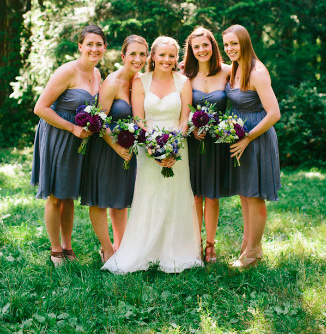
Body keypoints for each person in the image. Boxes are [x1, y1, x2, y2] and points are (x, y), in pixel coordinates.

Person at [102, 36, 202, 273]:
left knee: (175, 196)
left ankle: (178, 250)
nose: (167, 60)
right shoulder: (140, 81)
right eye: (162, 55)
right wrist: (153, 147)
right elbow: (138, 120)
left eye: (171, 55)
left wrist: (173, 147)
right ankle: (144, 250)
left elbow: (185, 119)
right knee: (150, 196)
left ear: (176, 58)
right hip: (147, 148)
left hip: (177, 149)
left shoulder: (183, 82)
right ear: (153, 57)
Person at [31, 24, 107, 266]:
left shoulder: (97, 74)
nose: (94, 49)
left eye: (99, 44)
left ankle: (67, 245)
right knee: (56, 195)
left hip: (79, 140)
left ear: (104, 48)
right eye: (90, 44)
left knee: (69, 194)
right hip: (59, 135)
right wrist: (73, 128)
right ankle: (55, 249)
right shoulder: (67, 71)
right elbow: (40, 108)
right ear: (80, 46)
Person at [80, 35, 148, 263]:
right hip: (106, 148)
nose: (138, 59)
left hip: (127, 150)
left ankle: (122, 246)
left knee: (121, 199)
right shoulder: (112, 82)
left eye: (142, 54)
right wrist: (117, 147)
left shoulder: (140, 82)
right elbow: (98, 120)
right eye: (133, 54)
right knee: (100, 199)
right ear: (123, 56)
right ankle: (107, 248)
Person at [222, 24, 281, 268]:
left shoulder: (257, 72)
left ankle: (254, 252)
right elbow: (211, 69)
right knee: (245, 194)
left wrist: (248, 138)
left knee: (255, 196)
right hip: (241, 137)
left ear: (245, 43)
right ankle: (248, 244)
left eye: (234, 43)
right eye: (226, 44)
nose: (229, 49)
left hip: (256, 137)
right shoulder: (234, 68)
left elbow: (274, 113)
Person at [183, 27, 230, 262]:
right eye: (196, 47)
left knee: (212, 196)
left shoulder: (228, 72)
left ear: (213, 46)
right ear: (191, 51)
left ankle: (210, 244)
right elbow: (177, 108)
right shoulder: (184, 75)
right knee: (194, 196)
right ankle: (195, 242)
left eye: (205, 45)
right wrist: (192, 128)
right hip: (193, 143)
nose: (202, 50)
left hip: (217, 143)